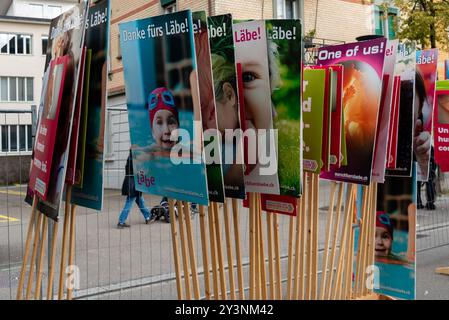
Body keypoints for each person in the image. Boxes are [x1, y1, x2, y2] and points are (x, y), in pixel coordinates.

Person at [118, 150, 155, 228]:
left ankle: (148, 217)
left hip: (132, 183)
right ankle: (121, 222)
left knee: (140, 201)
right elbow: (141, 170)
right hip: (133, 184)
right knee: (129, 202)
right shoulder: (135, 159)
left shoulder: (131, 157)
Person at [148, 87, 179, 152]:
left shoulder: (187, 152)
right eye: (159, 123)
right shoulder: (150, 154)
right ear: (153, 132)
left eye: (171, 123)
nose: (166, 131)